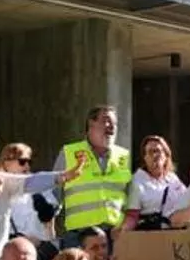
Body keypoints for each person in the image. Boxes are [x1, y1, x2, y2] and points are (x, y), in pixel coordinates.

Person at [53, 106, 131, 247]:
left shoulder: (124, 156)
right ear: (91, 124)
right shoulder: (69, 153)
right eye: (106, 121)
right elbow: (53, 196)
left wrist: (125, 226)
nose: (112, 126)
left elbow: (132, 201)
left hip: (115, 236)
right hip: (79, 237)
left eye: (115, 123)